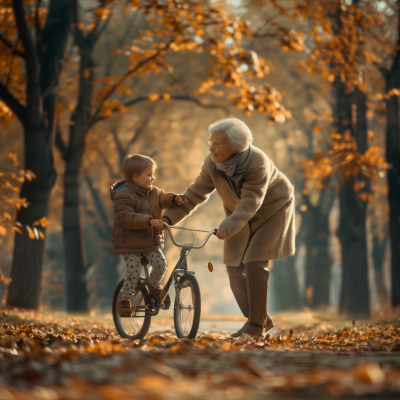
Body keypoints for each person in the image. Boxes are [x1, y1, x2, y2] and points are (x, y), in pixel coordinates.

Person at [162, 117, 295, 341]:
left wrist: (228, 225)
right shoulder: (212, 163)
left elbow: (251, 202)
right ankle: (261, 318)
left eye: (217, 144)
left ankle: (255, 327)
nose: (211, 147)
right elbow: (195, 193)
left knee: (255, 262)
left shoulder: (257, 163)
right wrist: (168, 218)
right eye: (210, 142)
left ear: (236, 147)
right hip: (238, 216)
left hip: (273, 210)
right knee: (234, 268)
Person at [110, 154, 186, 317]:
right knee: (134, 269)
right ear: (135, 176)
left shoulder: (154, 192)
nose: (153, 178)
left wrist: (174, 199)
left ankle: (154, 286)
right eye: (149, 174)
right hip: (129, 243)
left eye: (153, 174)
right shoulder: (123, 195)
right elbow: (125, 215)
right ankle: (124, 299)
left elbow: (163, 198)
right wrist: (149, 220)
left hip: (150, 241)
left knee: (160, 264)